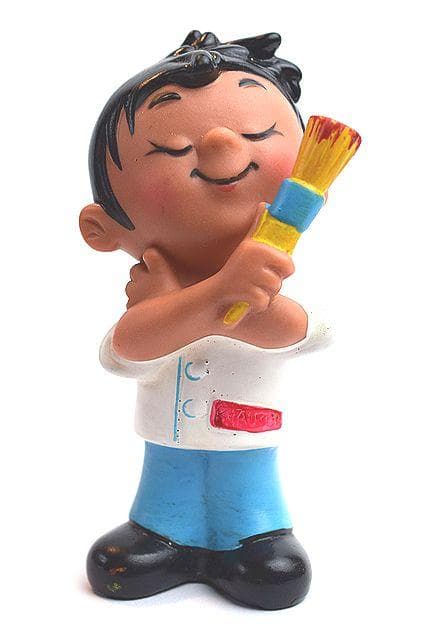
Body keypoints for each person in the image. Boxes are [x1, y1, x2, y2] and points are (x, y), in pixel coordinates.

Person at [80, 30, 330, 610]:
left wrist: (229, 297)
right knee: (166, 482)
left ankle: (255, 533)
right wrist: (216, 294)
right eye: (171, 147)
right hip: (166, 440)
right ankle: (163, 533)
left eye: (258, 135)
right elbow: (124, 352)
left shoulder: (263, 293)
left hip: (247, 432)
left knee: (258, 522)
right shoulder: (152, 296)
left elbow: (302, 332)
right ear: (102, 230)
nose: (221, 144)